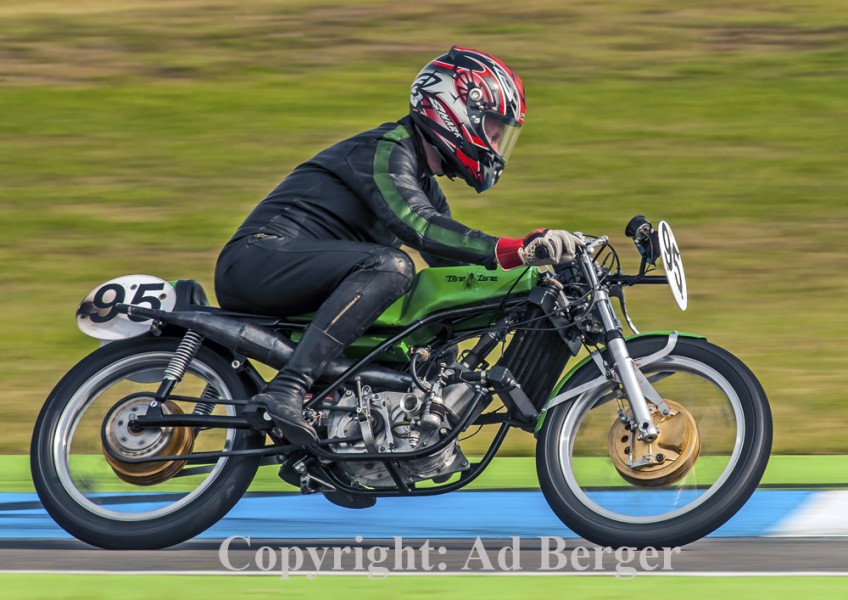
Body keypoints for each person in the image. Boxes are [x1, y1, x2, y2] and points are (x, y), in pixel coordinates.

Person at [214, 46, 583, 445]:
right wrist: (516, 248)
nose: (495, 141)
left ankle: (339, 442)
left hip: (301, 280)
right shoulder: (386, 150)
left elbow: (451, 264)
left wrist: (537, 275)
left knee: (433, 311)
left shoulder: (424, 182)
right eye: (493, 126)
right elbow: (419, 226)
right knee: (392, 267)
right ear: (455, 109)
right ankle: (287, 388)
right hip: (258, 261)